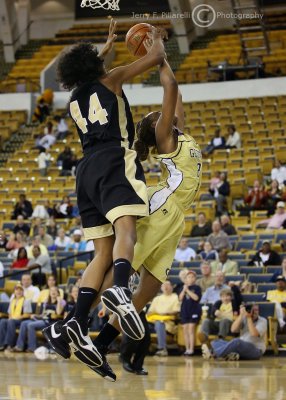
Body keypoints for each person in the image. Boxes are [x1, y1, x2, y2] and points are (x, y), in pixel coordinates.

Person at [43, 53, 202, 380]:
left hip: (177, 221)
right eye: (159, 115)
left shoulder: (179, 132)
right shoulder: (166, 137)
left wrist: (162, 60)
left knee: (146, 292)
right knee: (121, 272)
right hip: (162, 207)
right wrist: (160, 58)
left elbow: (177, 95)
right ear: (156, 129)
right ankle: (72, 323)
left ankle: (100, 345)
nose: (165, 113)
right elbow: (170, 88)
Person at [43, 20, 166, 370]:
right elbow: (156, 57)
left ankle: (75, 323)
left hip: (85, 172)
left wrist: (104, 50)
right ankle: (122, 289)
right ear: (96, 66)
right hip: (115, 158)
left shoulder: (73, 98)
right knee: (127, 230)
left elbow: (89, 73)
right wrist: (156, 37)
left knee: (101, 253)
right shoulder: (111, 78)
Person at [202, 304, 267, 361]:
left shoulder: (262, 321)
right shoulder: (244, 318)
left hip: (255, 350)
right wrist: (241, 315)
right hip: (241, 347)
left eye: (256, 310)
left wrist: (249, 318)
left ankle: (213, 354)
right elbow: (233, 329)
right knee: (216, 342)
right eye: (252, 310)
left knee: (236, 341)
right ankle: (230, 355)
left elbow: (254, 334)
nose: (254, 312)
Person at [13, 287, 66, 353]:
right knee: (24, 323)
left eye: (55, 290)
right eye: (51, 290)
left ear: (58, 293)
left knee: (30, 325)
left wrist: (59, 301)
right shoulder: (46, 301)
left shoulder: (62, 301)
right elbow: (43, 314)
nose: (53, 292)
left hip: (50, 321)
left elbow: (58, 312)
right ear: (49, 293)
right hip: (42, 319)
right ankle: (19, 346)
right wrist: (35, 315)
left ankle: (32, 348)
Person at [147, 280, 180, 356]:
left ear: (172, 287)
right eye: (163, 285)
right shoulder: (157, 299)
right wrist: (158, 314)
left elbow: (176, 311)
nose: (165, 287)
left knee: (159, 323)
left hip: (168, 323)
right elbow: (149, 312)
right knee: (142, 324)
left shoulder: (175, 297)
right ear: (161, 287)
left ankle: (162, 349)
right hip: (153, 321)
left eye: (167, 285)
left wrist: (164, 313)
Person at [0, 284, 32, 351]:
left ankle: (9, 345)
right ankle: (1, 344)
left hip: (21, 320)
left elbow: (28, 314)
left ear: (23, 292)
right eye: (17, 290)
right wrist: (10, 317)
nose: (18, 291)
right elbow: (10, 313)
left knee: (11, 321)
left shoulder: (26, 301)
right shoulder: (12, 301)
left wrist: (17, 318)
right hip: (12, 320)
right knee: (3, 321)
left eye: (20, 290)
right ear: (14, 291)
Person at [179, 270, 201, 356]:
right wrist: (184, 290)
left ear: (195, 279)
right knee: (185, 330)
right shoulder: (183, 288)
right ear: (186, 279)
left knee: (191, 329)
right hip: (185, 311)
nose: (190, 278)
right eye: (189, 277)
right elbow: (180, 298)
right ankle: (187, 349)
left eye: (192, 277)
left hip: (194, 310)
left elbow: (196, 298)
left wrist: (187, 290)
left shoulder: (197, 288)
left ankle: (192, 349)